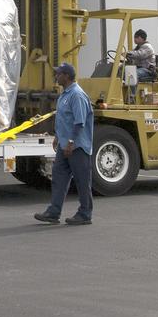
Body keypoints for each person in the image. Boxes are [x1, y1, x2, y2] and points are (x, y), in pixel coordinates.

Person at [34, 62, 94, 226]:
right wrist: (57, 137)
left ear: (67, 76)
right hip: (64, 145)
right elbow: (63, 119)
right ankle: (54, 212)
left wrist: (71, 142)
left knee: (82, 181)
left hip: (77, 146)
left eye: (59, 74)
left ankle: (85, 213)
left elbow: (79, 122)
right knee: (58, 178)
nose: (56, 76)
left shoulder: (77, 95)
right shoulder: (64, 94)